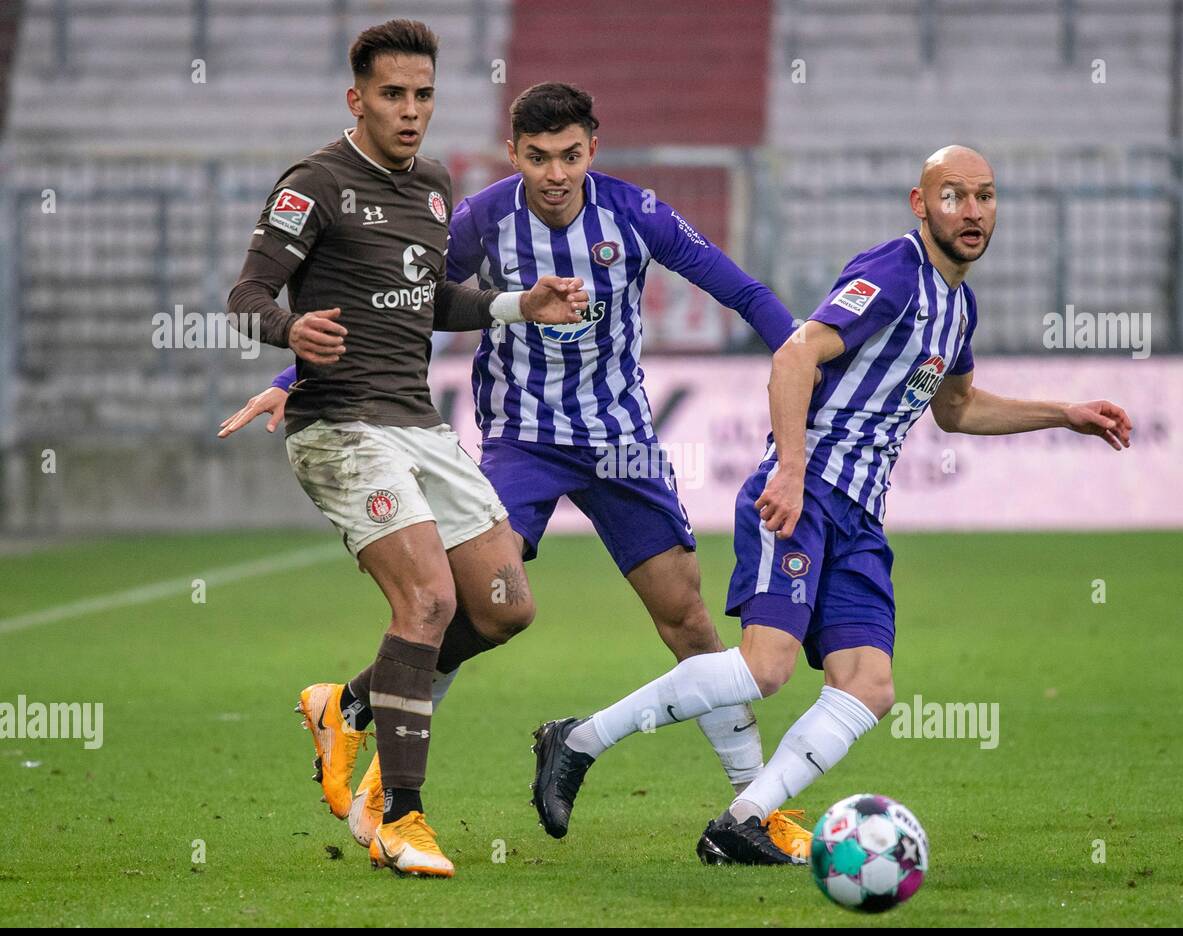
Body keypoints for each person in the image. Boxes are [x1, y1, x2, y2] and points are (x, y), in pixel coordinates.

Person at [221, 82, 816, 859]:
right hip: (521, 441)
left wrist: (806, 352)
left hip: (620, 442)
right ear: (515, 155)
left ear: (592, 149)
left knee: (689, 621)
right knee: (475, 602)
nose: (556, 173)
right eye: (538, 158)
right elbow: (403, 311)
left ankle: (754, 808)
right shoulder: (480, 220)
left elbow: (741, 291)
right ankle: (384, 785)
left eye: (570, 155)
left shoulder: (636, 215)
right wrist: (291, 379)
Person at [530, 145, 1134, 865]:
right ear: (921, 204)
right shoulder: (894, 271)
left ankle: (741, 820)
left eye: (985, 197)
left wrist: (1063, 413)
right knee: (766, 668)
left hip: (860, 516)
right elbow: (794, 355)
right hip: (806, 493)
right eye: (954, 196)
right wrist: (789, 470)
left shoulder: (959, 306)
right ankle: (577, 739)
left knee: (869, 685)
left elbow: (959, 408)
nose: (971, 212)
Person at [224, 20, 588, 877]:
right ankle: (401, 817)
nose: (411, 110)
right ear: (358, 99)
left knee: (503, 605)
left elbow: (428, 303)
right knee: (424, 601)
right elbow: (246, 294)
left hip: (418, 423)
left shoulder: (432, 183)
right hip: (341, 427)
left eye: (424, 94)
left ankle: (345, 706)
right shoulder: (314, 182)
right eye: (393, 95)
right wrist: (288, 330)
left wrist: (515, 305)